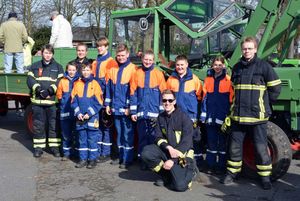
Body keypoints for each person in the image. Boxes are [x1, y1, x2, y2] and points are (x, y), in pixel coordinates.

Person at [220, 36, 281, 190]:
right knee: (234, 147)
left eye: (249, 48)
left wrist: (264, 105)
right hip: (238, 117)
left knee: (261, 148)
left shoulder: (264, 67)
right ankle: (232, 173)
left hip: (257, 118)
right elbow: (234, 89)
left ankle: (265, 177)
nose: (246, 51)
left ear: (255, 49)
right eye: (244, 49)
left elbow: (275, 89)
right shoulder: (237, 68)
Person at [141, 89, 195, 192]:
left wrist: (173, 161)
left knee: (180, 186)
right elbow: (158, 137)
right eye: (164, 100)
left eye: (170, 100)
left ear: (174, 101)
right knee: (146, 153)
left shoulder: (184, 117)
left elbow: (187, 143)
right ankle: (166, 176)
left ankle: (191, 171)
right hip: (168, 152)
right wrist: (168, 147)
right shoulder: (161, 117)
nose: (167, 103)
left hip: (182, 156)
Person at [130, 50, 166, 169]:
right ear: (142, 59)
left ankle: (152, 161)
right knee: (142, 138)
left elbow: (163, 95)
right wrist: (133, 111)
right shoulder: (136, 73)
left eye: (150, 60)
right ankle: (143, 160)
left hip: (154, 114)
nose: (148, 62)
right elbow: (133, 93)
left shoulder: (158, 74)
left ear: (153, 61)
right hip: (141, 113)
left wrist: (161, 113)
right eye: (146, 59)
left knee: (153, 138)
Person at [27, 44, 64, 158]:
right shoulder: (34, 66)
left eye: (50, 53)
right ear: (42, 53)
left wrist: (49, 91)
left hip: (52, 103)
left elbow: (59, 81)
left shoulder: (58, 67)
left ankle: (54, 148)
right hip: (38, 102)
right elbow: (30, 80)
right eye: (46, 53)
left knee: (54, 126)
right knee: (38, 125)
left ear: (53, 54)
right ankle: (38, 148)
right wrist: (39, 90)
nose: (48, 55)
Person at [166, 54, 203, 167]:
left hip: (190, 116)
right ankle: (180, 161)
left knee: (194, 139)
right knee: (178, 139)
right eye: (177, 65)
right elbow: (167, 96)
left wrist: (197, 115)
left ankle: (197, 162)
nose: (180, 67)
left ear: (187, 65)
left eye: (182, 65)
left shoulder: (194, 79)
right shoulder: (171, 79)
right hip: (176, 116)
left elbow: (199, 97)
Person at [105, 44, 137, 169]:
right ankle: (119, 155)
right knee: (118, 133)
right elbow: (109, 89)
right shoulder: (113, 69)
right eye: (118, 55)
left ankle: (127, 159)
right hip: (115, 108)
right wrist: (108, 104)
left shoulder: (133, 69)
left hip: (126, 108)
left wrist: (130, 107)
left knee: (127, 134)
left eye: (123, 55)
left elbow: (133, 91)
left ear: (128, 55)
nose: (120, 57)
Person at [200, 56, 233, 174]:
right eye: (215, 65)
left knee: (222, 143)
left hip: (222, 117)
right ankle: (210, 165)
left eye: (220, 65)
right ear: (212, 66)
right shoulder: (208, 80)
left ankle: (221, 166)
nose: (217, 67)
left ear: (224, 66)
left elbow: (231, 100)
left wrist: (228, 116)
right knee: (211, 142)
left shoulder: (228, 80)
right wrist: (204, 115)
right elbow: (204, 98)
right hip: (210, 116)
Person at [71, 63, 103, 169]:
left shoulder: (95, 84)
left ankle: (92, 160)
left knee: (92, 139)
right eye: (84, 70)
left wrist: (88, 114)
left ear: (91, 71)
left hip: (92, 118)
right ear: (81, 71)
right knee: (82, 139)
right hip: (80, 118)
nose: (85, 72)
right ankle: (83, 159)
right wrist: (78, 113)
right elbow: (73, 101)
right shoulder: (77, 84)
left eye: (88, 70)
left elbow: (98, 102)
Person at [92, 36, 118, 162]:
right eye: (98, 46)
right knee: (97, 126)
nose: (99, 48)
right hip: (96, 100)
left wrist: (108, 101)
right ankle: (97, 151)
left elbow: (111, 83)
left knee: (107, 127)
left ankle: (106, 153)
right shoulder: (95, 62)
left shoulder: (111, 62)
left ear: (107, 46)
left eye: (102, 46)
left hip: (105, 100)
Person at [56, 61, 80, 161]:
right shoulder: (62, 81)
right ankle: (66, 153)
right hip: (65, 112)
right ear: (67, 70)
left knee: (77, 134)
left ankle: (76, 153)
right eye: (69, 70)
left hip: (76, 113)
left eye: (73, 70)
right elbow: (59, 95)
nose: (71, 72)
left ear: (76, 70)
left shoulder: (79, 80)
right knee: (66, 134)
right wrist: (63, 104)